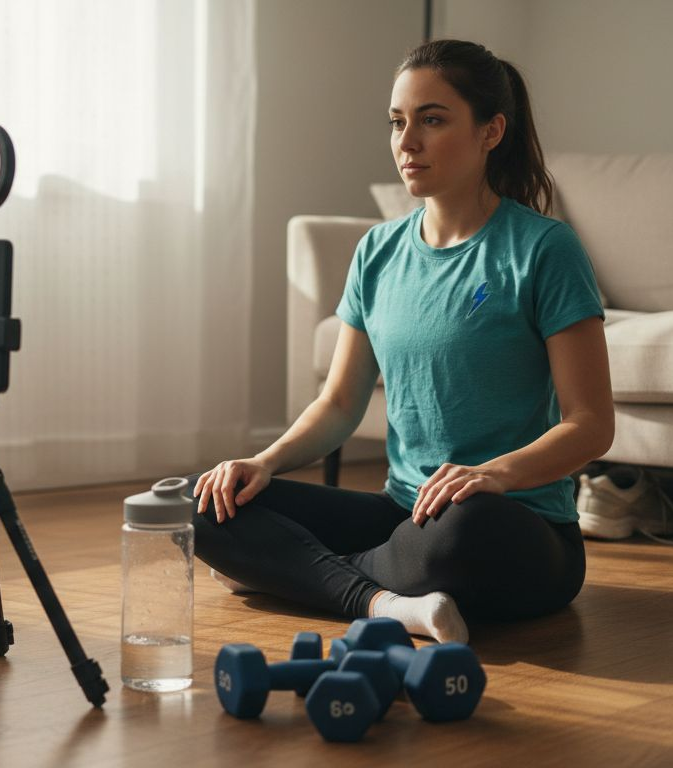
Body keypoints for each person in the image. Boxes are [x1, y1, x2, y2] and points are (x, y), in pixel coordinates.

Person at [186, 39, 613, 644]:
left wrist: (494, 475)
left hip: (508, 526)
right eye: (397, 122)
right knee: (201, 502)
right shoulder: (378, 252)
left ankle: (292, 574)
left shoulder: (545, 249)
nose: (406, 142)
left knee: (458, 533)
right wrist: (263, 462)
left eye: (432, 120)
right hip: (401, 517)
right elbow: (338, 405)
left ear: (491, 131)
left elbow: (591, 424)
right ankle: (387, 604)